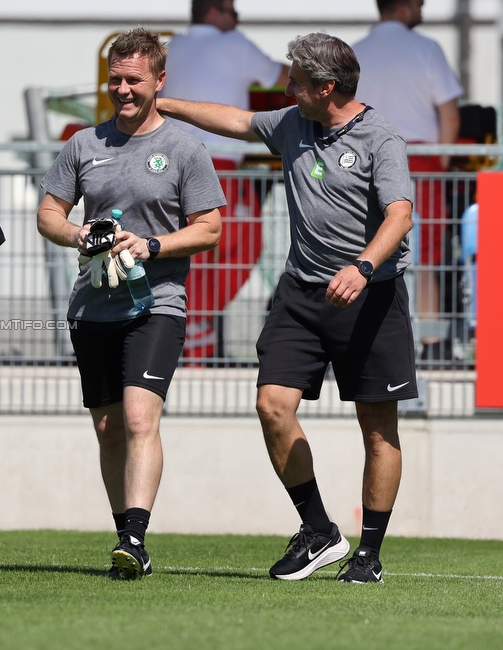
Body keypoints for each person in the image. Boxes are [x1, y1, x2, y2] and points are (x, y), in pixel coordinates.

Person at [158, 32, 416, 583]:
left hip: (370, 295)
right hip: (300, 294)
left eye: (296, 81)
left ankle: (368, 554)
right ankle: (319, 529)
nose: (286, 87)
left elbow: (400, 216)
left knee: (377, 428)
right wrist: (164, 103)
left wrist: (363, 266)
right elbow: (234, 121)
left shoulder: (381, 137)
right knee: (272, 404)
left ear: (326, 88)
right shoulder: (293, 123)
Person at [37, 27, 225, 579]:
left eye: (134, 80)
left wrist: (151, 244)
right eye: (114, 80)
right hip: (92, 305)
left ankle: (136, 537)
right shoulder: (83, 145)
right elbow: (48, 214)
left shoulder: (185, 147)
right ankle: (125, 536)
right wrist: (80, 235)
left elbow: (210, 228)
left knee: (141, 416)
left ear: (159, 81)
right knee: (108, 428)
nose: (122, 89)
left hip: (157, 302)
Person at [161, 0, 289, 360]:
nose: (238, 18)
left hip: (169, 165)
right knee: (242, 245)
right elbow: (285, 78)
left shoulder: (171, 48)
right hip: (216, 166)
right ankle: (195, 321)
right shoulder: (233, 45)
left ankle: (188, 329)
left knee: (186, 251)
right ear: (215, 12)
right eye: (233, 10)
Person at [353, 0, 463, 363]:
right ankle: (431, 345)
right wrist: (442, 163)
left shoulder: (355, 52)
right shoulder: (427, 49)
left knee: (365, 249)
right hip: (421, 160)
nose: (423, 8)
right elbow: (449, 113)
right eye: (418, 3)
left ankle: (359, 338)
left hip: (364, 158)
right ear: (402, 7)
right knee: (428, 255)